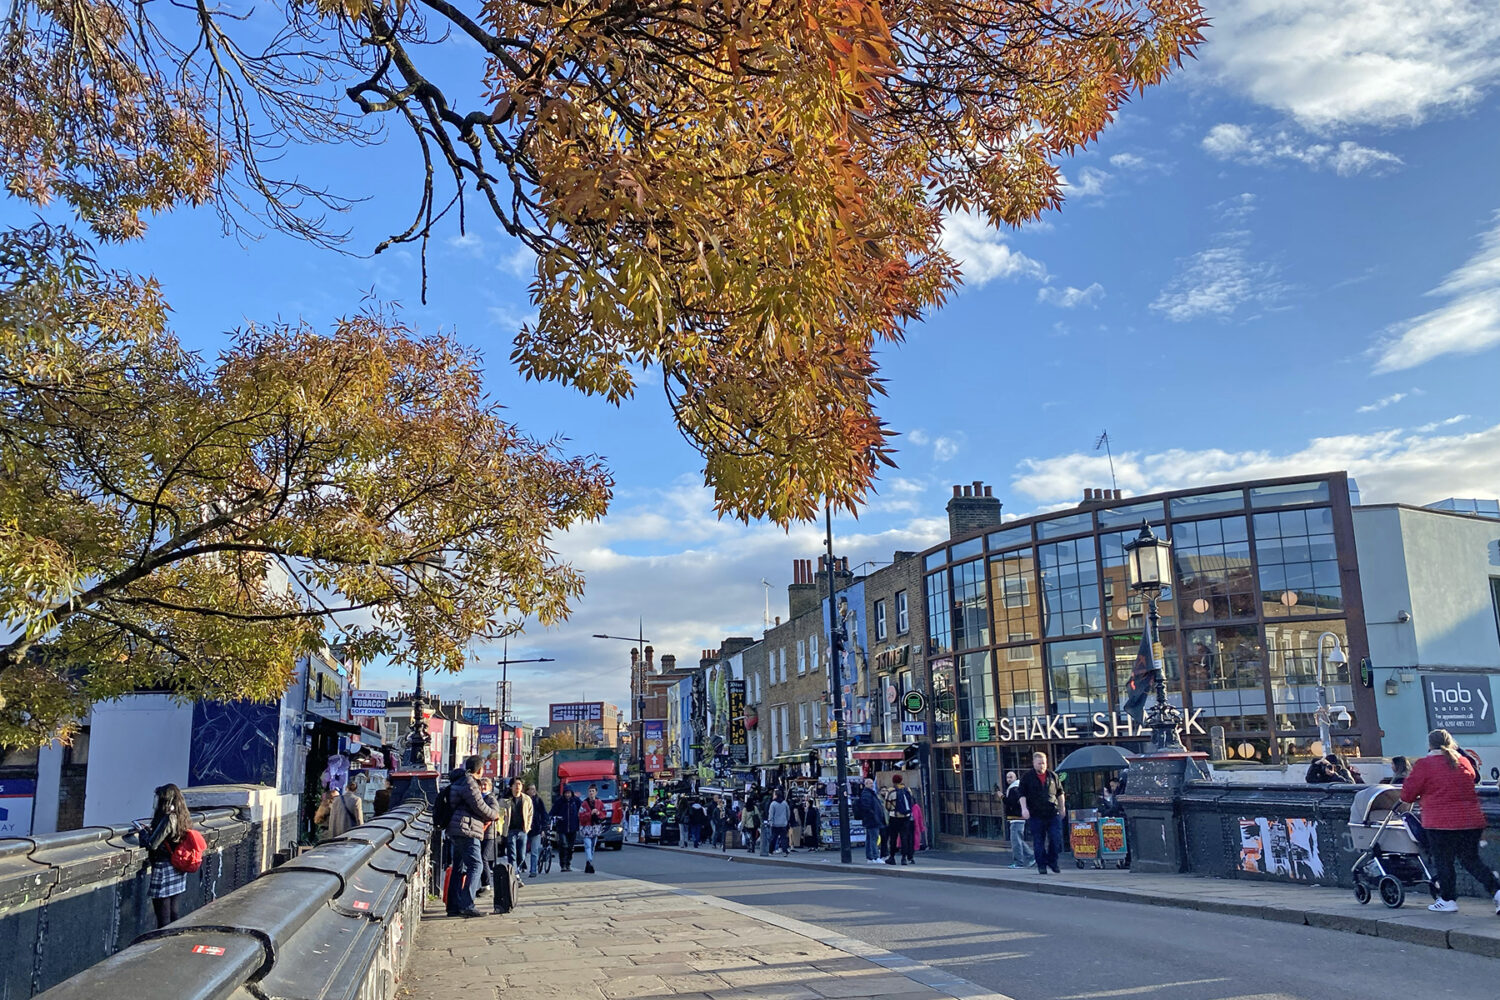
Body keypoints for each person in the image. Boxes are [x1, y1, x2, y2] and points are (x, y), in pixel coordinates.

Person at [1401, 729, 1500, 914]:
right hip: (1471, 820)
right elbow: (1474, 777)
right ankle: (1497, 891)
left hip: (1440, 822)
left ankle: (1447, 899)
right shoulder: (1463, 761)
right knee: (1471, 860)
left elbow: (1407, 795)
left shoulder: (1424, 765)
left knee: (1444, 862)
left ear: (1429, 745)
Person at [445, 755, 498, 918]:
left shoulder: (459, 781)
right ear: (480, 769)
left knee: (459, 867)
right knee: (476, 865)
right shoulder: (469, 782)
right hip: (466, 828)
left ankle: (453, 906)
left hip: (457, 827)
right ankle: (467, 904)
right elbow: (479, 805)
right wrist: (494, 814)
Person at [145, 783, 192, 927]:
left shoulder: (168, 818)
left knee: (163, 916)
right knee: (173, 911)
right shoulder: (182, 816)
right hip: (177, 866)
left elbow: (152, 844)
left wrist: (143, 833)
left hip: (164, 867)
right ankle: (174, 938)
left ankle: (164, 943)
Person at [1019, 752, 1064, 875]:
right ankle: (1042, 865)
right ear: (1034, 763)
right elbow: (1022, 795)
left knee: (1055, 838)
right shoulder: (1027, 777)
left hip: (1052, 813)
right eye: (1039, 763)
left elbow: (1060, 793)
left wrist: (1062, 808)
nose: (1042, 765)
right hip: (1036, 814)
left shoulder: (1053, 776)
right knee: (1039, 841)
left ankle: (1052, 862)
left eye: (1043, 763)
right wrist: (1024, 809)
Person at [505, 777, 533, 883]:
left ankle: (518, 870)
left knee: (521, 855)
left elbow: (530, 814)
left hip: (522, 830)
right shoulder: (506, 800)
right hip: (510, 830)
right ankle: (515, 875)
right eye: (515, 784)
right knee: (512, 854)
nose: (518, 786)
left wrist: (528, 827)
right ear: (511, 786)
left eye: (520, 784)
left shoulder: (526, 799)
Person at [1003, 771, 1033, 869]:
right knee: (1018, 839)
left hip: (1016, 818)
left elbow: (1011, 803)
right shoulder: (1017, 787)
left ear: (1016, 778)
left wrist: (1002, 796)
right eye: (1007, 777)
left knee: (1015, 841)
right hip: (1018, 817)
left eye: (1011, 777)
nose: (1009, 779)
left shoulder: (1014, 789)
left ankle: (1019, 862)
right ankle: (1031, 856)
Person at [475, 777, 499, 897]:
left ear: (490, 787)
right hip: (478, 833)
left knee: (483, 858)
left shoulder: (491, 799)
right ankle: (483, 884)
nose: (483, 787)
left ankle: (487, 885)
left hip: (488, 833)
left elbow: (493, 814)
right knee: (479, 858)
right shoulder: (479, 798)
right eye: (482, 785)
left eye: (485, 785)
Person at [887, 774, 916, 865]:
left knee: (893, 838)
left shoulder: (891, 791)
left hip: (894, 817)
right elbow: (912, 801)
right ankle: (904, 858)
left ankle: (892, 857)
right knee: (905, 837)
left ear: (893, 781)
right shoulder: (907, 789)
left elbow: (887, 805)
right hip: (906, 817)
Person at [578, 784, 608, 873]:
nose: (591, 793)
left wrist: (598, 813)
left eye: (593, 791)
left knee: (592, 846)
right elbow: (580, 816)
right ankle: (590, 861)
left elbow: (604, 813)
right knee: (587, 845)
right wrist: (589, 813)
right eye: (590, 791)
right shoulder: (584, 803)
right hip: (586, 827)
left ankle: (588, 862)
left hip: (595, 827)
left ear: (596, 792)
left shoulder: (599, 803)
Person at [550, 786, 580, 871]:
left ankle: (568, 863)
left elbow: (582, 810)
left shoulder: (576, 801)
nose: (567, 795)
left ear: (571, 793)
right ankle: (563, 864)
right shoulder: (560, 802)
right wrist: (552, 817)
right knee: (563, 845)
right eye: (566, 793)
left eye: (569, 793)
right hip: (562, 828)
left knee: (570, 847)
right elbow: (553, 811)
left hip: (573, 828)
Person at [858, 778, 884, 864]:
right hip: (872, 820)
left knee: (870, 839)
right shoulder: (867, 794)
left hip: (871, 820)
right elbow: (867, 807)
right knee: (874, 838)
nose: (872, 785)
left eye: (872, 783)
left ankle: (870, 857)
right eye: (869, 783)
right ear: (866, 784)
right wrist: (874, 815)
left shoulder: (869, 793)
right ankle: (875, 857)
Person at [526, 783, 547, 877]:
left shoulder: (538, 801)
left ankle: (533, 870)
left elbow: (543, 814)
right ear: (527, 791)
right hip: (525, 829)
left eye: (534, 789)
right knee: (522, 851)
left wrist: (543, 828)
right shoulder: (524, 800)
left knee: (534, 851)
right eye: (531, 789)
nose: (533, 791)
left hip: (536, 829)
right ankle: (520, 867)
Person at [767, 789, 792, 856]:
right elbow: (788, 813)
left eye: (774, 794)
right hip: (783, 823)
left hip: (775, 824)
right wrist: (787, 820)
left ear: (776, 795)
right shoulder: (784, 803)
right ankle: (785, 851)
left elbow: (771, 814)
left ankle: (770, 851)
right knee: (784, 838)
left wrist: (770, 822)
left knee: (773, 838)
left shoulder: (773, 804)